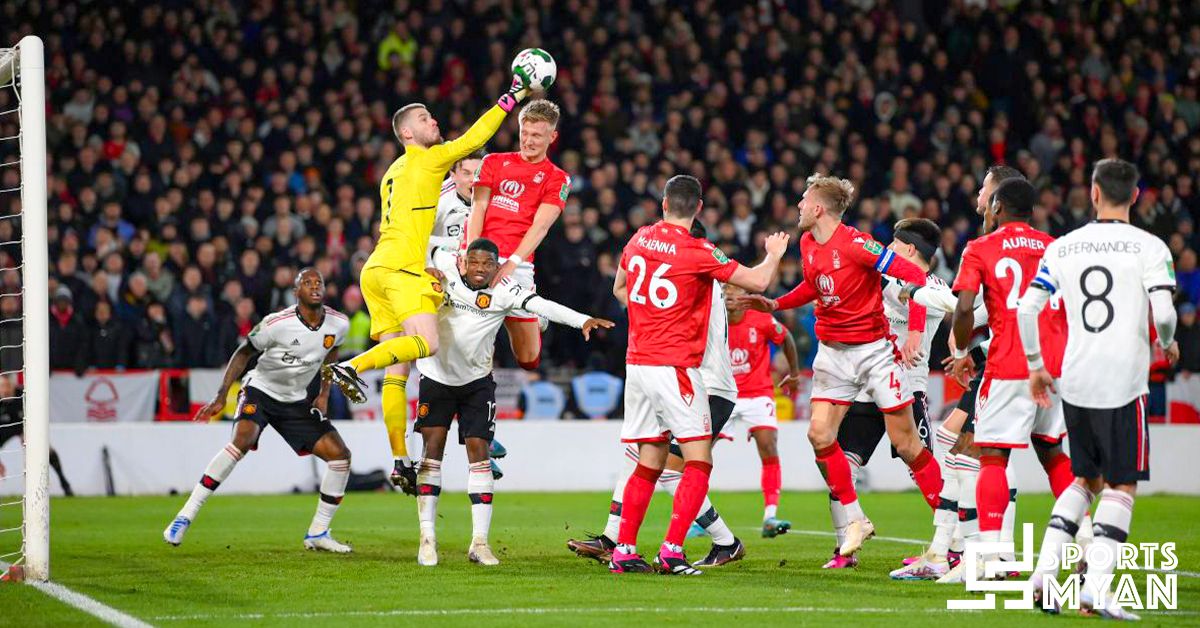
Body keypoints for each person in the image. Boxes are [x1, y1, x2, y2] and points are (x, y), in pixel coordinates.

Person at [323, 72, 538, 495]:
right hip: (402, 270)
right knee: (429, 344)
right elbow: (474, 137)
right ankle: (351, 366)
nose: (434, 121)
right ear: (407, 133)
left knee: (398, 370)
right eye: (424, 119)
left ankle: (400, 459)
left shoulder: (393, 172)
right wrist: (512, 96)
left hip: (375, 270)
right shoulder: (428, 159)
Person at [741, 176, 942, 560]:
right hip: (832, 354)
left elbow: (915, 276)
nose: (799, 205)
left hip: (873, 353)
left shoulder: (858, 244)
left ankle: (953, 535)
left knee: (907, 445)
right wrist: (777, 304)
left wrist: (915, 331)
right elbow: (813, 286)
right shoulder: (806, 243)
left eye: (804, 200)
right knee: (819, 435)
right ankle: (855, 519)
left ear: (818, 208)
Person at [607, 174, 789, 575]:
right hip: (675, 369)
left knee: (650, 458)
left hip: (637, 365)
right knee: (698, 460)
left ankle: (624, 551)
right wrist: (774, 253)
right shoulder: (698, 250)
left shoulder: (639, 238)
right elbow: (759, 281)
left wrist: (652, 317)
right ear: (699, 208)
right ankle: (672, 551)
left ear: (663, 203)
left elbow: (620, 288)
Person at [1021, 159, 1178, 620]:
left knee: (1084, 479)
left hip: (1076, 377)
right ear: (1135, 196)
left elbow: (1028, 308)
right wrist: (1166, 342)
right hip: (1123, 380)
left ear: (1093, 193)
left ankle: (1043, 577)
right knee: (1121, 483)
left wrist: (1036, 366)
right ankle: (1096, 589)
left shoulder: (1063, 246)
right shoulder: (1150, 246)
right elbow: (1165, 314)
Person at [413, 238, 612, 567]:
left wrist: (582, 321)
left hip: (477, 382)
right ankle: (427, 539)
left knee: (479, 455)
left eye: (487, 264)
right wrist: (425, 264)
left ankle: (479, 543)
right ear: (463, 262)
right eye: (474, 262)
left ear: (496, 267)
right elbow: (421, 241)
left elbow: (543, 306)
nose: (479, 269)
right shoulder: (445, 265)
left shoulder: (505, 290)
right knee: (431, 453)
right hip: (436, 376)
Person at [567, 221, 748, 570]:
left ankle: (725, 541)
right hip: (678, 377)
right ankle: (613, 539)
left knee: (668, 469)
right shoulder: (692, 274)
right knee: (637, 455)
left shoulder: (698, 275)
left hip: (709, 385)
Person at [798, 218, 950, 573]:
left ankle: (950, 546)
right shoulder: (893, 277)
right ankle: (845, 547)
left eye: (894, 244)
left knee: (921, 465)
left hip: (906, 388)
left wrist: (916, 331)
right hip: (866, 388)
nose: (888, 249)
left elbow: (912, 294)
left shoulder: (925, 287)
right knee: (840, 466)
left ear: (909, 248)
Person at [163, 268, 353, 553]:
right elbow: (243, 353)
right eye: (307, 283)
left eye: (319, 283)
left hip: (295, 400)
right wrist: (221, 395)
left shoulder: (339, 323)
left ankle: (318, 532)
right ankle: (185, 515)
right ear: (296, 292)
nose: (315, 287)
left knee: (340, 456)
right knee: (242, 440)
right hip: (261, 391)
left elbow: (332, 352)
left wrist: (324, 394)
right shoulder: (276, 323)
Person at [946, 177, 1076, 581]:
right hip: (1056, 366)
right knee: (1053, 453)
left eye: (989, 203)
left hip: (1010, 364)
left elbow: (964, 309)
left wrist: (963, 353)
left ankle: (990, 557)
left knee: (991, 456)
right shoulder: (1056, 247)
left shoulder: (980, 247)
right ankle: (1088, 543)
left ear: (998, 206)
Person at [465, 100, 571, 371]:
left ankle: (535, 320)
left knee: (528, 360)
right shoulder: (493, 162)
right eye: (525, 133)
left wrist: (511, 264)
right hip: (480, 256)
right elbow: (478, 207)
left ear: (552, 137)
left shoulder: (557, 178)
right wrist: (471, 253)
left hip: (517, 265)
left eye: (537, 135)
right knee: (466, 344)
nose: (529, 141)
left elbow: (540, 226)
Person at [722, 283, 801, 538]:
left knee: (768, 446)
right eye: (725, 288)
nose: (729, 293)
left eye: (735, 289)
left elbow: (786, 338)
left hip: (758, 393)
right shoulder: (712, 319)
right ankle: (700, 517)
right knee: (698, 454)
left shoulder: (761, 319)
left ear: (746, 295)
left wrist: (794, 373)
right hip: (723, 393)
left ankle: (770, 516)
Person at [0, 376, 74, 496]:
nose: (5, 390)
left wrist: (29, 435)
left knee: (46, 449)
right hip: (4, 431)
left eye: (8, 385)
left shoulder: (23, 396)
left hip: (24, 427)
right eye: (2, 386)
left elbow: (35, 416)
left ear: (13, 386)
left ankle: (63, 482)